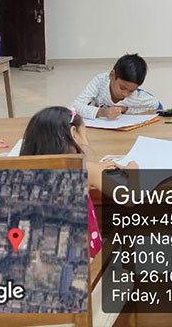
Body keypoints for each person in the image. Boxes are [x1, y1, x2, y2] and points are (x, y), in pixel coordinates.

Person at [20, 106, 114, 259]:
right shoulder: (86, 170)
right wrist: (133, 167)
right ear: (74, 133)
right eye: (85, 135)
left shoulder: (26, 177)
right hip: (91, 265)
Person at [72, 53, 160, 119]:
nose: (125, 94)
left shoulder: (134, 96)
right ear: (112, 75)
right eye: (122, 88)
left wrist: (125, 109)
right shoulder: (100, 81)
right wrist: (102, 112)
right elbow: (75, 106)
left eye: (131, 91)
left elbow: (154, 105)